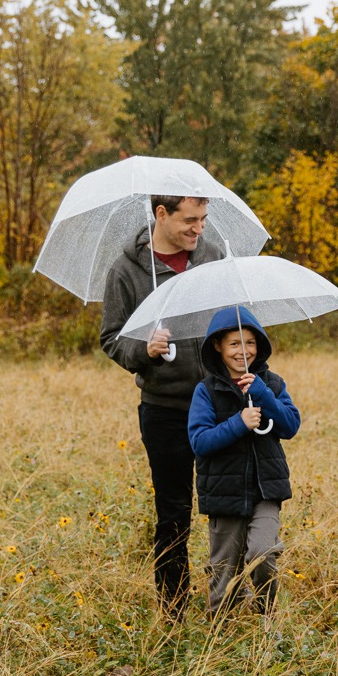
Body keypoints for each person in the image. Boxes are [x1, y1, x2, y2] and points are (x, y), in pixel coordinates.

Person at [100, 194, 222, 618]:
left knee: (227, 506)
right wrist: (144, 347)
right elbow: (111, 338)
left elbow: (232, 319)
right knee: (173, 512)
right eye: (190, 220)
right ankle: (173, 610)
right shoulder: (126, 271)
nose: (199, 229)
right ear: (161, 214)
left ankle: (226, 600)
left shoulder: (212, 259)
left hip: (218, 404)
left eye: (204, 219)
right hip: (164, 410)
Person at [187, 306, 302, 616]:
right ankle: (219, 635)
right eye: (234, 344)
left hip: (266, 491)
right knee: (223, 572)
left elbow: (290, 426)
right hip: (224, 492)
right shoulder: (206, 391)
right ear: (217, 346)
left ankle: (266, 616)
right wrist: (238, 423)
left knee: (262, 554)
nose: (243, 351)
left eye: (250, 342)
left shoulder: (271, 384)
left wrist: (263, 393)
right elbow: (200, 442)